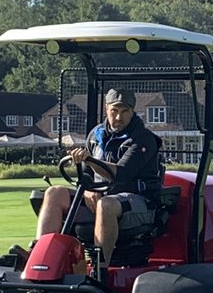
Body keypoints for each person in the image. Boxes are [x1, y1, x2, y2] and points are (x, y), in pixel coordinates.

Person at [35, 88, 162, 266]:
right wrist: (87, 188)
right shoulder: (96, 135)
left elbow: (122, 174)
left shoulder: (143, 139)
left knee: (106, 204)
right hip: (99, 196)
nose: (119, 117)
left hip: (139, 202)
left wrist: (90, 160)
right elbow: (86, 174)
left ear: (133, 111)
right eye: (114, 111)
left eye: (125, 111)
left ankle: (100, 268)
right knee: (54, 193)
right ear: (106, 109)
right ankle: (42, 258)